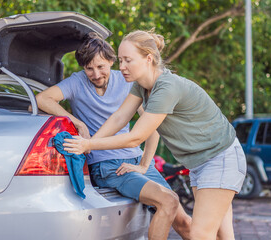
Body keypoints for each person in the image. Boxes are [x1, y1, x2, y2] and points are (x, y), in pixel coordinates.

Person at [64, 30, 247, 240]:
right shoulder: (141, 86)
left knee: (200, 234)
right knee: (222, 236)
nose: (121, 66)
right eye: (121, 60)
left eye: (127, 60)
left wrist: (87, 146)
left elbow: (136, 137)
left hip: (219, 159)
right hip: (201, 163)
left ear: (148, 59)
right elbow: (119, 118)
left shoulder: (166, 87)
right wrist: (89, 143)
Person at [35, 32, 191, 240]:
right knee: (167, 200)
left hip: (136, 161)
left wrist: (145, 163)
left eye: (101, 67)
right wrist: (77, 122)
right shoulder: (77, 82)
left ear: (111, 61)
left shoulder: (127, 82)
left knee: (185, 223)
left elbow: (151, 127)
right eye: (89, 68)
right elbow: (42, 99)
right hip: (106, 165)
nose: (96, 74)